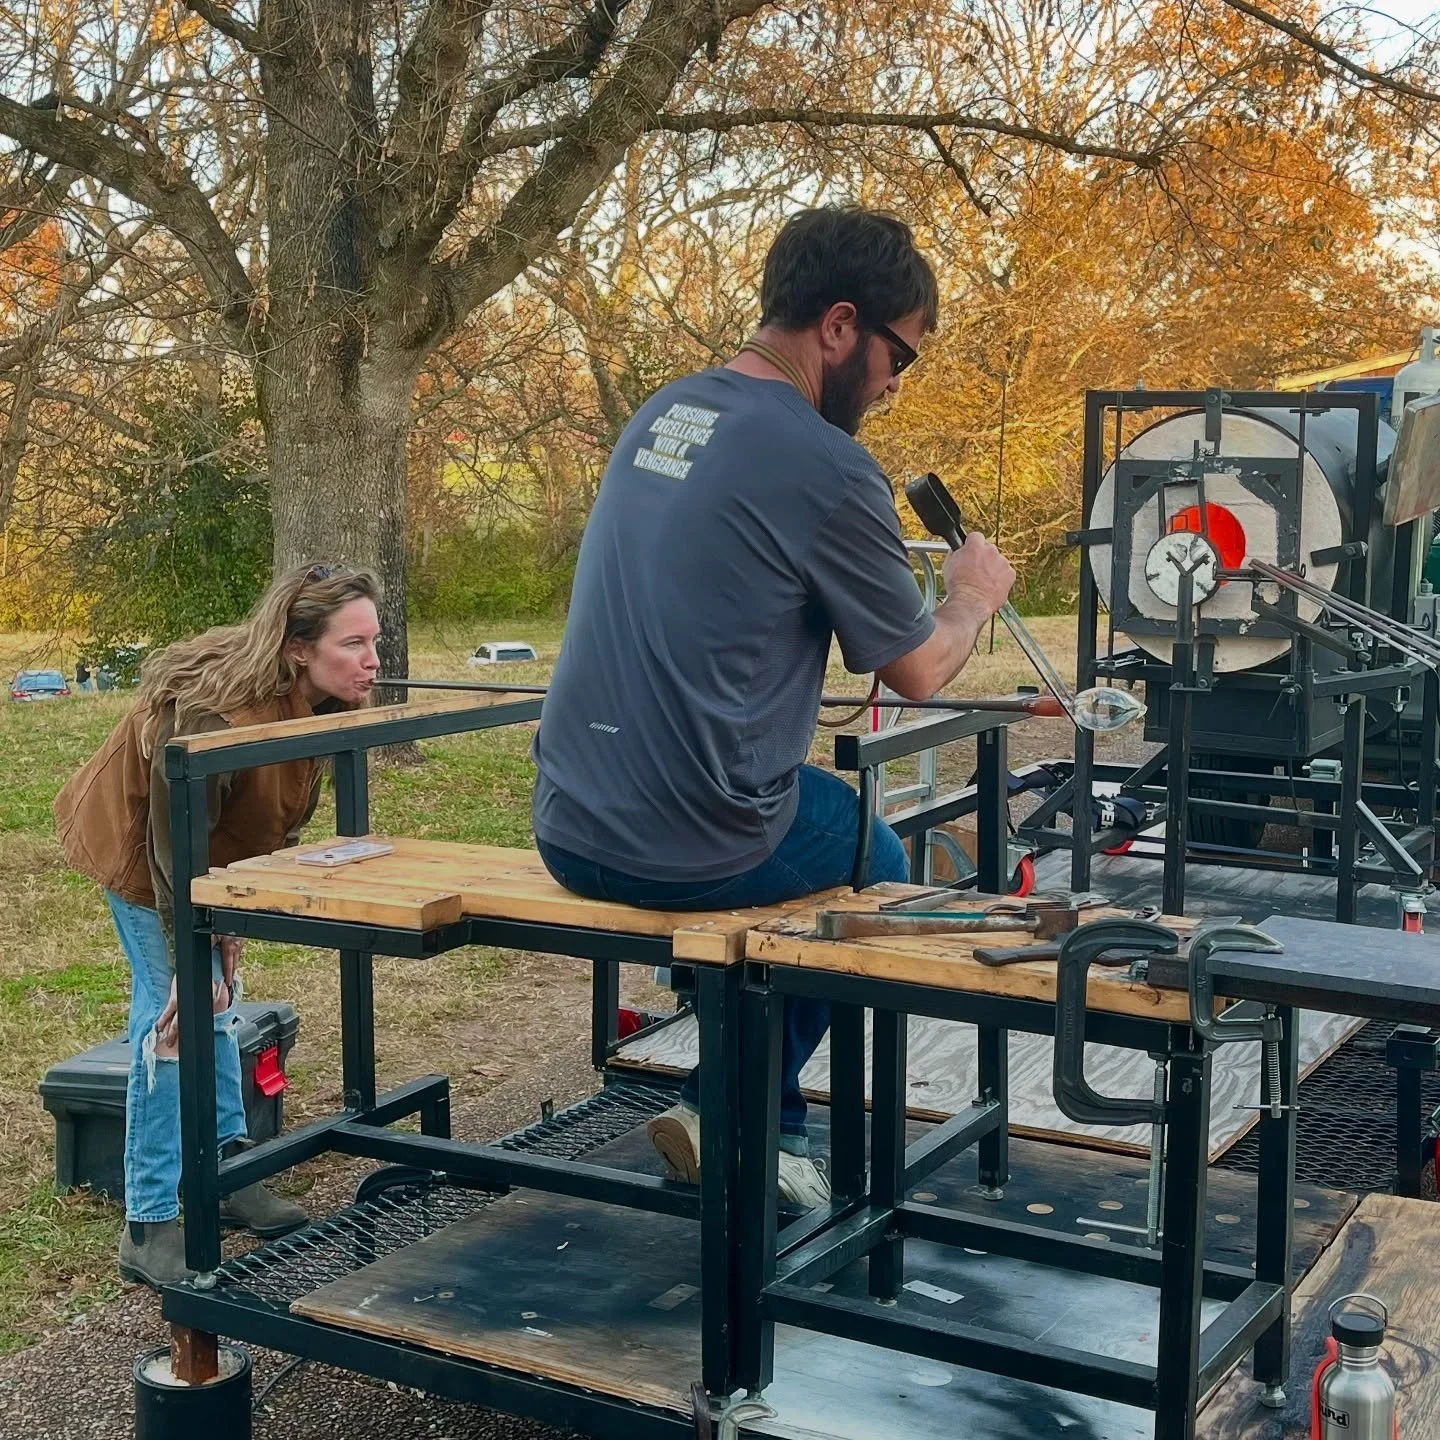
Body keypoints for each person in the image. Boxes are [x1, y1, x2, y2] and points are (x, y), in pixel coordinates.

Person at [532, 206, 1016, 1207]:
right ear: (839, 326)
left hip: (568, 822)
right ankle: (753, 1124)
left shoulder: (665, 411)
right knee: (874, 862)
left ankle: (730, 1094)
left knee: (791, 824)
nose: (893, 384)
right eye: (898, 357)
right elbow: (919, 672)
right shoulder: (827, 464)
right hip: (685, 841)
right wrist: (972, 595)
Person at [53, 564, 383, 1287]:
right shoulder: (216, 717)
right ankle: (148, 1223)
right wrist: (189, 953)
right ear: (299, 648)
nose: (373, 660)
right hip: (146, 855)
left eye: (374, 641)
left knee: (220, 1003)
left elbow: (274, 815)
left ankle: (229, 1171)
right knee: (175, 1019)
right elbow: (173, 851)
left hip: (206, 857)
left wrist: (237, 908)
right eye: (354, 644)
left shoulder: (316, 703)